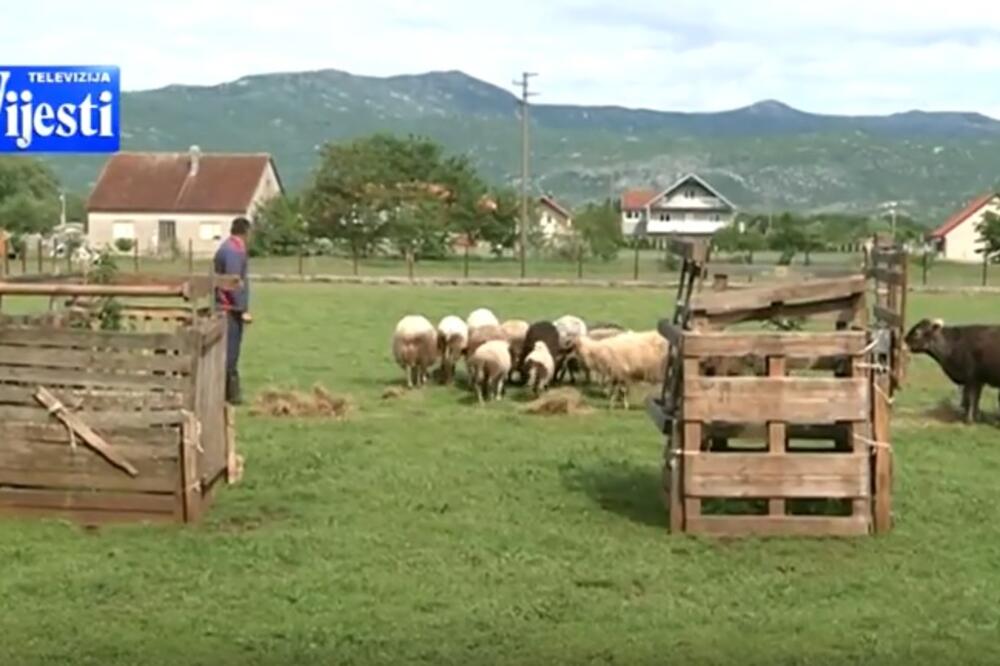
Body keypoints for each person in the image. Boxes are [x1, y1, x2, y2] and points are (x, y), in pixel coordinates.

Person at [214, 216, 252, 404]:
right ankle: (230, 395)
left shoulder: (226, 247)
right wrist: (242, 308)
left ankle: (227, 393)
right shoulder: (234, 251)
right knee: (230, 352)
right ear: (245, 233)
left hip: (223, 306)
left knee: (227, 351)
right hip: (229, 309)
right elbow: (233, 281)